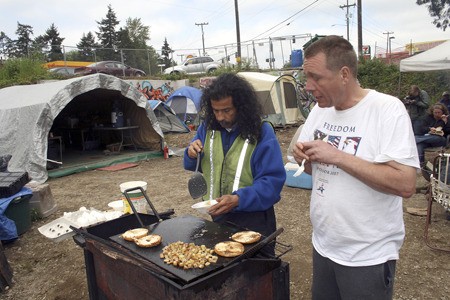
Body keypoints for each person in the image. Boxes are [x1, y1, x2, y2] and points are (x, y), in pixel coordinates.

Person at [291, 35, 419, 300]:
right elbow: (312, 171)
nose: (309, 86)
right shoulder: (319, 111)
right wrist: (305, 158)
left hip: (366, 255)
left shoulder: (386, 109)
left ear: (344, 74)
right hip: (324, 245)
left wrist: (337, 156)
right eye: (306, 77)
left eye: (316, 77)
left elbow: (406, 184)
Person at [183, 73, 286, 253]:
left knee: (255, 269)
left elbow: (272, 182)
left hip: (253, 219)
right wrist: (191, 154)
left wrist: (239, 199)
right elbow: (194, 164)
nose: (220, 117)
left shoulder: (261, 132)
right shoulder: (208, 128)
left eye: (227, 110)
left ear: (241, 106)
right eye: (216, 110)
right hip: (218, 216)